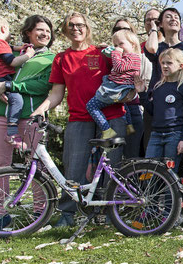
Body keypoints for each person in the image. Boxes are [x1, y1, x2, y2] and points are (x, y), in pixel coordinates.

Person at [31, 12, 127, 227]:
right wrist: (41, 110)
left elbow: (126, 72)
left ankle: (111, 213)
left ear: (87, 28)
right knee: (73, 167)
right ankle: (68, 213)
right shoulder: (61, 58)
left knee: (112, 166)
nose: (76, 29)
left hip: (111, 116)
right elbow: (57, 93)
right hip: (79, 117)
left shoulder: (102, 53)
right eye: (71, 25)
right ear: (65, 30)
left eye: (80, 25)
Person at [0, 15, 55, 229]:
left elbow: (42, 86)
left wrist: (11, 87)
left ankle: (40, 211)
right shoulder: (7, 51)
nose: (44, 34)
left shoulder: (51, 58)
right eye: (39, 29)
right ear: (28, 32)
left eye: (48, 30)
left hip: (30, 117)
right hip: (0, 115)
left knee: (37, 163)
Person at [0, 14, 35, 148]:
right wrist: (28, 55)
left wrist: (19, 48)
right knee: (17, 100)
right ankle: (12, 133)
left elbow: (7, 48)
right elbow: (12, 61)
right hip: (0, 79)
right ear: (4, 29)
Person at [135, 48, 183, 170]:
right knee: (149, 171)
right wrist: (142, 94)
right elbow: (152, 110)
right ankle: (151, 190)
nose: (165, 66)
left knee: (169, 173)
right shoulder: (158, 87)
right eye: (162, 63)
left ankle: (171, 190)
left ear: (181, 66)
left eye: (169, 63)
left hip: (174, 135)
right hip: (156, 134)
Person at [86, 29, 141, 139]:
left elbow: (118, 67)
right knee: (122, 104)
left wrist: (116, 53)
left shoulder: (134, 58)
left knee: (91, 106)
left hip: (118, 89)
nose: (118, 47)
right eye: (115, 44)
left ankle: (106, 130)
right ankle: (129, 125)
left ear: (133, 44)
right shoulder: (128, 57)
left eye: (121, 44)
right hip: (121, 89)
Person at [111, 18, 152, 159]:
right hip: (112, 110)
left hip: (133, 110)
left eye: (126, 29)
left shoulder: (142, 58)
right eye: (117, 30)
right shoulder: (109, 55)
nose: (121, 32)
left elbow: (146, 84)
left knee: (132, 156)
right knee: (111, 158)